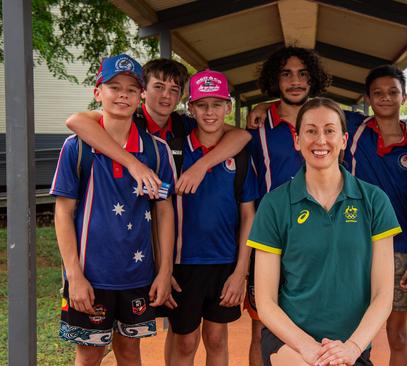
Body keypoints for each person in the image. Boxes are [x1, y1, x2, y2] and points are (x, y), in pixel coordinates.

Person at [248, 97, 399, 366]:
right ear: (297, 140)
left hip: (351, 344)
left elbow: (383, 295)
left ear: (343, 139)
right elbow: (266, 301)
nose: (320, 140)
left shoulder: (375, 201)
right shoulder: (274, 204)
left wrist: (352, 347)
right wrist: (307, 348)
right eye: (310, 131)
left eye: (329, 130)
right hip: (291, 341)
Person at [51, 54, 176, 365]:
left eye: (131, 89)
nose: (122, 95)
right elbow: (63, 214)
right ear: (98, 93)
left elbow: (164, 212)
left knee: (130, 352)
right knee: (89, 354)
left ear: (141, 96)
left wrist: (164, 271)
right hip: (90, 277)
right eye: (113, 87)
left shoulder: (157, 151)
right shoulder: (77, 147)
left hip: (137, 275)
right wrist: (74, 275)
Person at [244, 46, 331, 366]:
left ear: (313, 79)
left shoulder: (327, 118)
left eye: (302, 73)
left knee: (318, 326)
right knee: (261, 327)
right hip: (273, 240)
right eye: (286, 73)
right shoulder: (258, 126)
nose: (295, 81)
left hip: (321, 239)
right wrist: (262, 108)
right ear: (274, 79)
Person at [166, 70, 258, 365]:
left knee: (217, 338)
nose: (209, 112)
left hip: (225, 263)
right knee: (185, 341)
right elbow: (160, 213)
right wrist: (164, 266)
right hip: (184, 264)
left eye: (217, 104)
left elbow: (248, 215)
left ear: (228, 107)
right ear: (190, 108)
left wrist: (240, 271)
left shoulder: (241, 155)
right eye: (202, 105)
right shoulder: (175, 152)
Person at [65, 58, 251, 197]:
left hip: (165, 211)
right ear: (143, 91)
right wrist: (133, 164)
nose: (166, 96)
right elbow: (76, 121)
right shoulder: (128, 117)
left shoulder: (182, 124)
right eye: (159, 87)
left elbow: (241, 136)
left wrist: (201, 166)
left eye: (174, 90)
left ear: (180, 98)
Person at [344, 65, 407, 366]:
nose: (385, 98)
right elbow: (309, 107)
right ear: (367, 98)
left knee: (396, 332)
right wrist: (263, 106)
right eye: (377, 93)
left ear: (404, 97)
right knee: (349, 331)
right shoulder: (353, 129)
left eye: (393, 92)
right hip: (352, 245)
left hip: (399, 248)